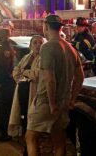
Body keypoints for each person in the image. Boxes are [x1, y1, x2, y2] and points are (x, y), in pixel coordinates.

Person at [25, 15, 84, 156]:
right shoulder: (70, 48)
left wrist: (52, 103)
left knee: (31, 136)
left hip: (47, 101)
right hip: (64, 101)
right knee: (58, 137)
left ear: (46, 26)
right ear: (61, 27)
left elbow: (50, 79)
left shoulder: (48, 47)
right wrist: (72, 99)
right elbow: (80, 77)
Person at [8, 35, 45, 138]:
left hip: (34, 91)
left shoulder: (44, 59)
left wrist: (25, 72)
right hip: (22, 90)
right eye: (35, 43)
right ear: (30, 45)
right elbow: (16, 70)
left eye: (40, 43)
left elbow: (38, 74)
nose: (38, 45)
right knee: (22, 114)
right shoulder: (26, 57)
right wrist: (20, 78)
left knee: (32, 119)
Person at [0, 28, 15, 141]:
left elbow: (5, 68)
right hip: (0, 80)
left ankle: (6, 133)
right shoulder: (1, 46)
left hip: (4, 82)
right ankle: (1, 127)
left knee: (4, 109)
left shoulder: (6, 48)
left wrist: (0, 82)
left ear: (4, 35)